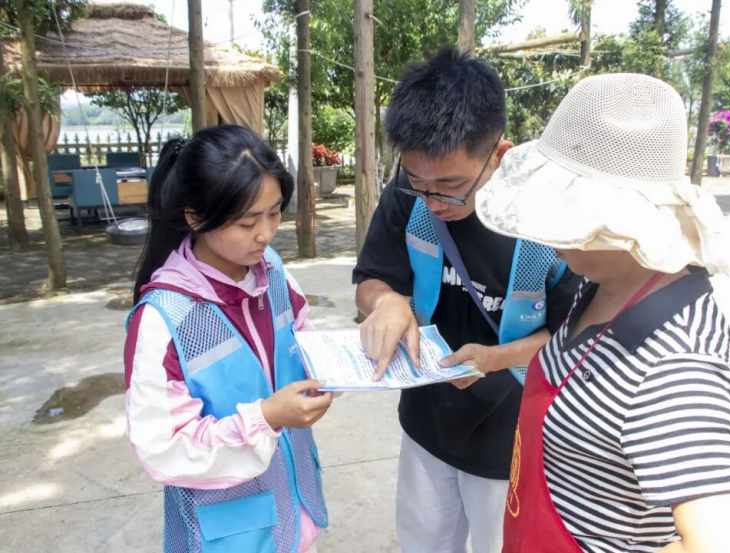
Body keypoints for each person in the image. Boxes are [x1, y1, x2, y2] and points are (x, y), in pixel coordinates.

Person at [476, 73, 730, 553]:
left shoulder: (677, 363)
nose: (545, 232)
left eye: (563, 213)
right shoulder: (603, 282)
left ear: (617, 222)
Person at [352, 48, 578, 553]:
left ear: (499, 154)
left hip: (512, 432)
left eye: (451, 186)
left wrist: (496, 358)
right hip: (427, 420)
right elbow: (370, 278)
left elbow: (574, 335)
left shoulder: (546, 225)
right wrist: (387, 303)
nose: (434, 202)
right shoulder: (408, 196)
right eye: (420, 183)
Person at [124, 125, 331, 553]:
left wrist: (338, 366)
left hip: (295, 510)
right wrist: (265, 418)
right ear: (195, 217)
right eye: (247, 222)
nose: (266, 234)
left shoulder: (273, 272)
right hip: (233, 533)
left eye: (274, 213)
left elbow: (302, 341)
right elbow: (163, 446)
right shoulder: (165, 319)